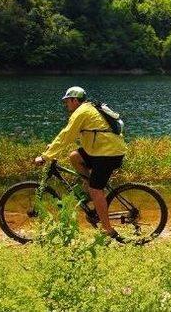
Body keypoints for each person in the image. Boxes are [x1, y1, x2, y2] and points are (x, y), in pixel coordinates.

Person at [34, 86, 127, 242]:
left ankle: (108, 229)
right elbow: (71, 136)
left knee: (96, 189)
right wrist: (53, 147)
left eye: (67, 102)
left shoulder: (82, 112)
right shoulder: (88, 108)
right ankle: (90, 190)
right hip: (100, 150)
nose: (66, 105)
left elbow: (66, 135)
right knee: (75, 156)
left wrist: (45, 157)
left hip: (108, 153)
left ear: (74, 100)